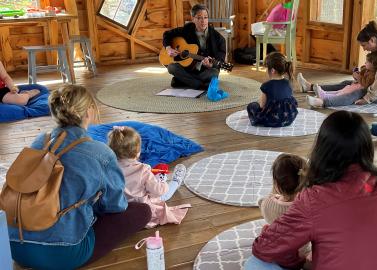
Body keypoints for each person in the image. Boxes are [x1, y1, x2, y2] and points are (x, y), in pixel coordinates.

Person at [245, 111, 377, 270]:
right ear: (367, 148)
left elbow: (264, 248)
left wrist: (297, 262)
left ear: (322, 150)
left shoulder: (315, 199)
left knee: (255, 263)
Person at [8, 85, 151, 270]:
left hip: (15, 245)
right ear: (89, 112)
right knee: (142, 211)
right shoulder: (101, 153)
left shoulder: (38, 142)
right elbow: (116, 206)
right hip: (62, 253)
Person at [297, 20, 377, 107]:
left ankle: (323, 102)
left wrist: (367, 98)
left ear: (372, 40)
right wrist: (360, 77)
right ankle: (310, 87)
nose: (364, 49)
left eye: (364, 45)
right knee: (348, 83)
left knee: (360, 91)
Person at [107, 126, 189, 228]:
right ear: (138, 152)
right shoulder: (143, 170)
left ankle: (169, 181)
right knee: (164, 194)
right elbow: (159, 191)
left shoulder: (108, 167)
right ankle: (176, 181)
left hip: (119, 209)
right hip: (142, 210)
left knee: (150, 184)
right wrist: (162, 183)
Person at [258, 153, 311, 262]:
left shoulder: (267, 203)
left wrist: (273, 197)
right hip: (300, 254)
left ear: (276, 184)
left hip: (276, 252)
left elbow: (260, 203)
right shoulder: (308, 208)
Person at [163, 4, 226, 90]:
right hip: (188, 69)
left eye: (205, 17)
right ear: (193, 19)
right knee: (171, 67)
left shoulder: (218, 38)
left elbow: (220, 59)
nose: (203, 21)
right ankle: (198, 84)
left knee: (214, 73)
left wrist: (210, 65)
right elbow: (167, 34)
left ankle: (182, 80)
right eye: (199, 18)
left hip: (204, 71)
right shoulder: (187, 29)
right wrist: (168, 48)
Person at [305, 51, 377, 108]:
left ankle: (323, 99)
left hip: (359, 88)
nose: (365, 62)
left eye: (367, 62)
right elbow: (361, 75)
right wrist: (357, 73)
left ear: (373, 64)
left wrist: (359, 77)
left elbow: (366, 84)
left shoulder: (373, 74)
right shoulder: (367, 69)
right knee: (342, 89)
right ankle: (322, 92)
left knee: (342, 94)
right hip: (355, 85)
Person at [247, 52, 298, 127]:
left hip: (271, 120)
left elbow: (262, 106)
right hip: (289, 118)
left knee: (251, 106)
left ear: (272, 70)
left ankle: (256, 120)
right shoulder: (288, 83)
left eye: (266, 68)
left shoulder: (266, 86)